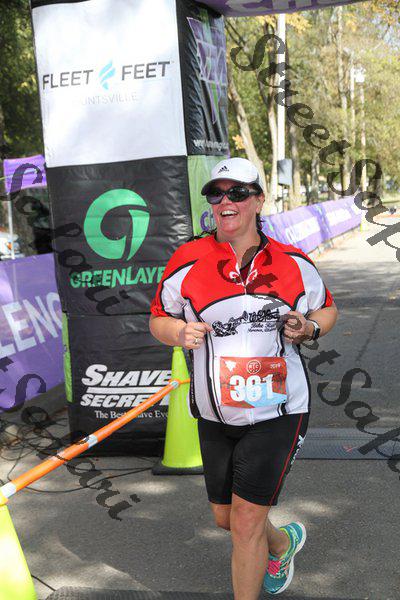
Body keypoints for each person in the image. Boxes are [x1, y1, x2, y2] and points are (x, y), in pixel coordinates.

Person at [149, 157, 338, 599]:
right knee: (225, 518)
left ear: (258, 200)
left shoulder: (292, 262)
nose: (225, 201)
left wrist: (309, 328)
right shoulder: (187, 259)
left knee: (246, 521)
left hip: (279, 410)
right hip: (215, 413)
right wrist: (177, 332)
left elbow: (326, 309)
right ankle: (283, 543)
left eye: (237, 192)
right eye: (216, 194)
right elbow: (158, 318)